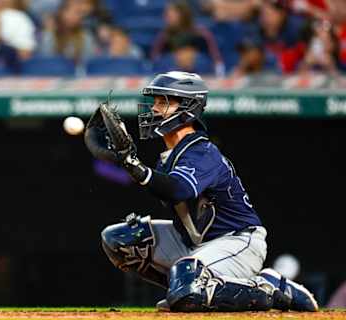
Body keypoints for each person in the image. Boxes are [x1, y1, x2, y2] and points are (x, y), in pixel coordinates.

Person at [84, 71, 319, 312]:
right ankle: (187, 289)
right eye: (155, 101)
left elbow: (179, 190)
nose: (154, 108)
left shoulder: (202, 150)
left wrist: (134, 166)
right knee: (120, 240)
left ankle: (268, 286)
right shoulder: (168, 158)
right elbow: (162, 188)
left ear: (188, 108)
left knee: (188, 285)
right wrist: (124, 163)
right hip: (194, 243)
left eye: (164, 101)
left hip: (236, 240)